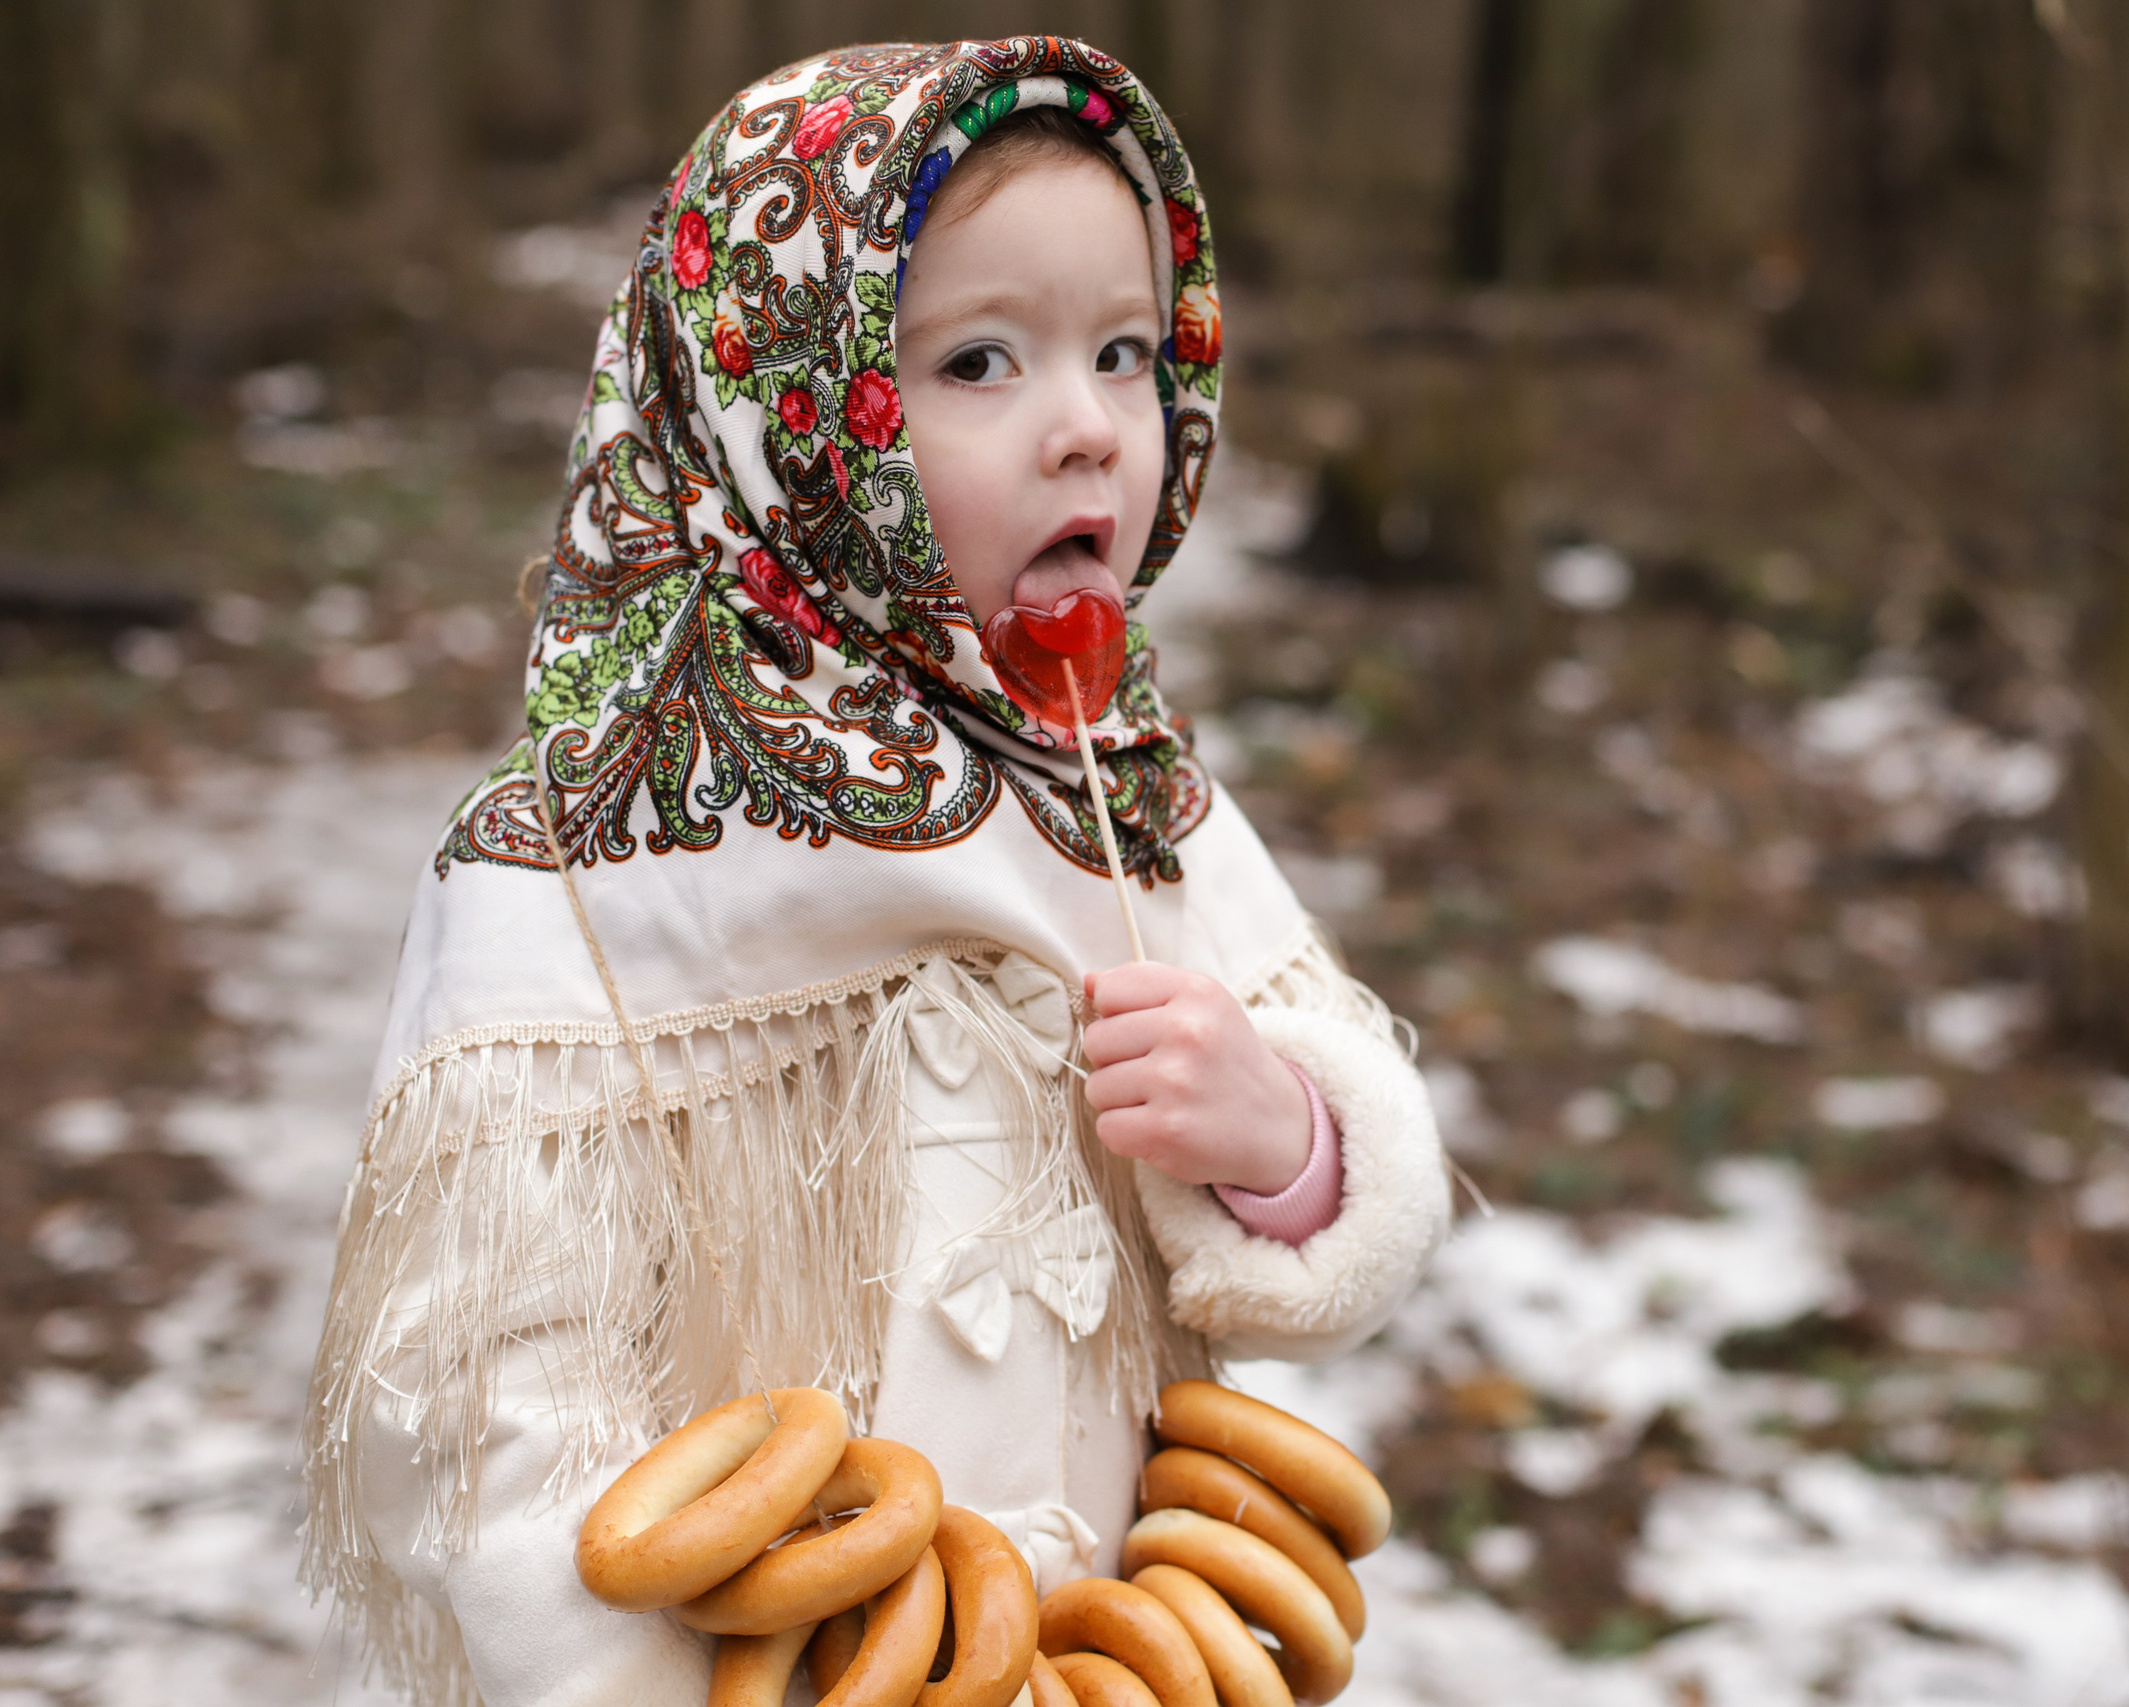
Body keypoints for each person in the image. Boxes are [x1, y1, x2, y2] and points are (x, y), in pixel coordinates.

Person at [299, 37, 1448, 1707]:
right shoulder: (599, 862)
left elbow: (1337, 1242)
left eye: (1125, 354)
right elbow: (478, 1411)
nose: (1089, 434)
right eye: (982, 361)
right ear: (784, 408)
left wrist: (1287, 1141)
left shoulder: (1122, 789)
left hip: (1108, 1653)